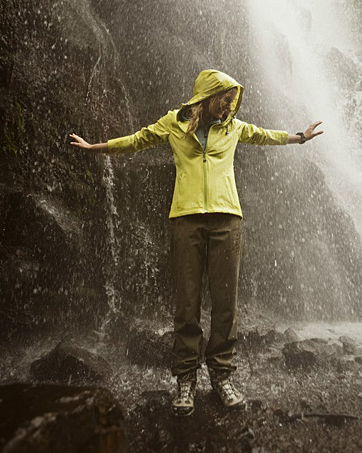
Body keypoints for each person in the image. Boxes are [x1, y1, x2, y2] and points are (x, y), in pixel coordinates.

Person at [70, 69, 323, 416]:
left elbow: (263, 135)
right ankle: (185, 379)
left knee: (226, 305)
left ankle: (221, 375)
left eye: (233, 101)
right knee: (187, 304)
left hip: (227, 219)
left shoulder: (233, 127)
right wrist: (95, 148)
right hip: (186, 220)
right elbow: (138, 139)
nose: (230, 106)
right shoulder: (174, 124)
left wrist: (300, 137)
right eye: (225, 100)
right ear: (208, 97)